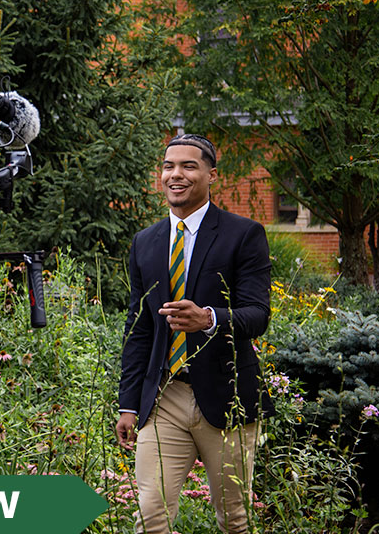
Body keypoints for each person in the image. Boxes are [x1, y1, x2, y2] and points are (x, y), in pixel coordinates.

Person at [115, 134, 274, 533]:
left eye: (188, 166)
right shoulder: (145, 243)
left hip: (226, 395)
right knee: (150, 518)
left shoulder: (244, 234)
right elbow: (139, 329)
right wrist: (128, 403)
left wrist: (209, 318)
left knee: (234, 520)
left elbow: (258, 315)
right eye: (169, 166)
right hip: (164, 397)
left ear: (210, 175)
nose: (176, 174)